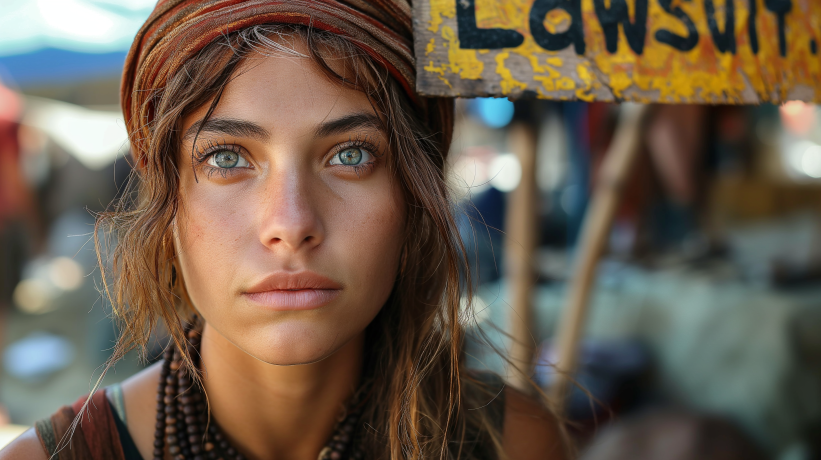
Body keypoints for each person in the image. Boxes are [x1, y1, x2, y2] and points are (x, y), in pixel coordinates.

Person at [1, 1, 569, 459]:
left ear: (414, 196)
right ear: (166, 203)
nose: (291, 225)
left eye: (350, 155)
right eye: (226, 159)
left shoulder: (512, 443)